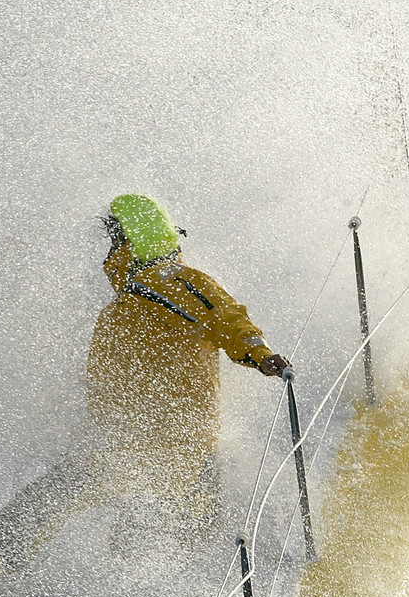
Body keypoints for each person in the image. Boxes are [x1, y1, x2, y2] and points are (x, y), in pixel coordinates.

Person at [87, 192, 288, 503]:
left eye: (114, 240)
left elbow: (222, 314)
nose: (108, 252)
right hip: (138, 453)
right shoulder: (127, 301)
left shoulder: (165, 280)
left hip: (178, 453)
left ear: (130, 241)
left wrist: (258, 353)